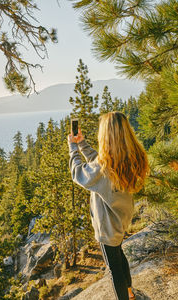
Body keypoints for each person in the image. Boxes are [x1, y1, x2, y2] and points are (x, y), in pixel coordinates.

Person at [68, 111, 149, 300]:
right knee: (119, 256)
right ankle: (129, 293)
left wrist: (73, 148)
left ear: (106, 136)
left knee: (114, 269)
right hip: (121, 219)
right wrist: (82, 144)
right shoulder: (130, 158)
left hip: (107, 226)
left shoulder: (104, 168)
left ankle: (125, 296)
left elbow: (78, 174)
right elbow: (99, 161)